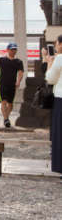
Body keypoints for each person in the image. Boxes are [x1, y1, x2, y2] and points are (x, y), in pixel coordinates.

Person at [0, 43, 24, 128]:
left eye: (15, 49)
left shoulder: (18, 62)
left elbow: (20, 72)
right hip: (2, 84)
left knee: (10, 104)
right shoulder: (1, 60)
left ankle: (6, 118)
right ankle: (6, 119)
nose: (13, 51)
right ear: (8, 50)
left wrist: (18, 81)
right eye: (12, 49)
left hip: (12, 85)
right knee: (3, 102)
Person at [44, 35, 62, 179]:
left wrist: (50, 62)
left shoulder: (60, 59)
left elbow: (50, 78)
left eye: (56, 44)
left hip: (60, 100)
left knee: (60, 134)